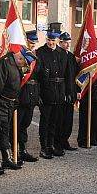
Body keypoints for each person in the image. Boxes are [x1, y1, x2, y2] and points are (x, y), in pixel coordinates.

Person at [36, 23, 70, 158]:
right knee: (46, 121)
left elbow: (67, 74)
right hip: (46, 91)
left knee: (56, 121)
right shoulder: (40, 53)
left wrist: (67, 92)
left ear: (57, 40)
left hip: (59, 91)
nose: (50, 42)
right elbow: (37, 76)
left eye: (53, 40)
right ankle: (44, 147)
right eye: (49, 40)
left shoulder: (62, 54)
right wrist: (39, 94)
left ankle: (52, 145)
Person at [10, 30, 40, 165]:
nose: (32, 45)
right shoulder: (20, 55)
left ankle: (23, 150)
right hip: (21, 94)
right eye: (30, 42)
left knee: (25, 125)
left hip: (32, 95)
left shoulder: (35, 55)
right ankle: (13, 152)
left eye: (34, 42)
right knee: (16, 125)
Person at [57, 32, 79, 151]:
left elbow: (75, 75)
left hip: (71, 92)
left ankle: (65, 141)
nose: (67, 45)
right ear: (60, 42)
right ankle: (58, 142)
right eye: (65, 42)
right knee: (60, 119)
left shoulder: (70, 56)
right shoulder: (58, 55)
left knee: (68, 120)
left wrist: (76, 91)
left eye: (69, 43)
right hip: (61, 92)